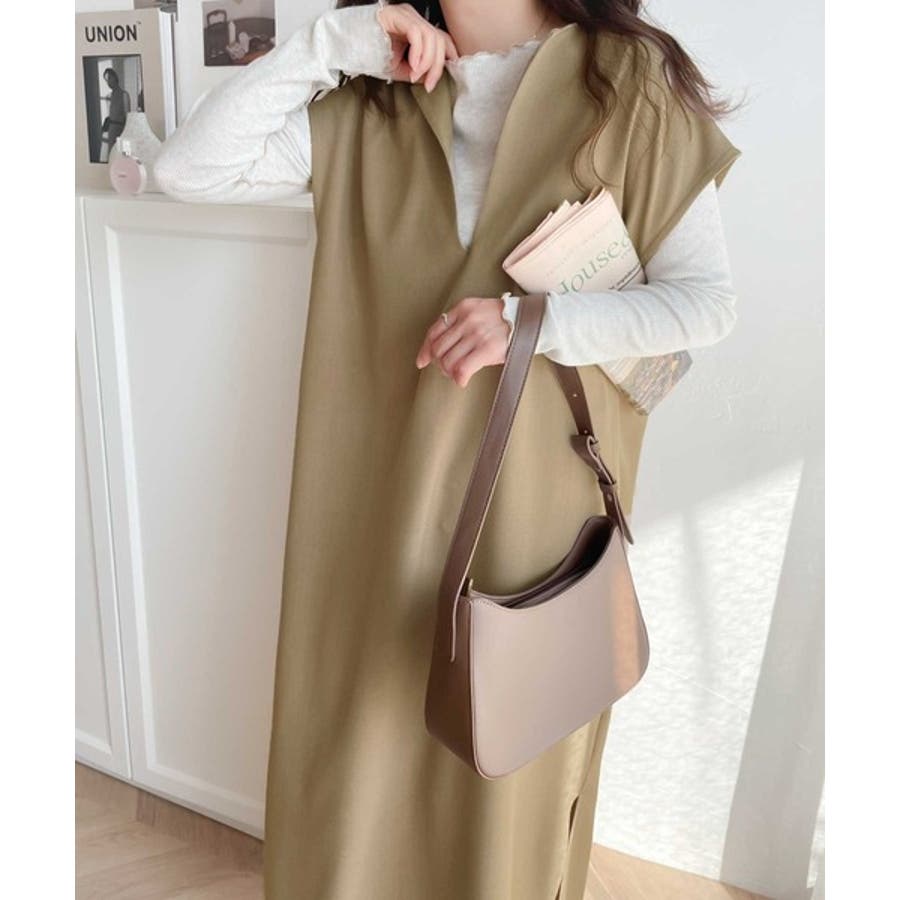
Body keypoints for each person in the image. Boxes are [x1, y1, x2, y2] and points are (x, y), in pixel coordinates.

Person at [154, 2, 742, 898]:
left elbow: (704, 303)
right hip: (373, 505)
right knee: (357, 765)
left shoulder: (626, 84)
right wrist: (332, 43)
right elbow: (186, 170)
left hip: (535, 512)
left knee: (507, 776)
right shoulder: (369, 97)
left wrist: (531, 323)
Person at [100, 68, 131, 162]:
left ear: (114, 77)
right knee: (112, 157)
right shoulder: (109, 97)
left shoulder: (124, 95)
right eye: (106, 80)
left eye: (109, 78)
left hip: (121, 130)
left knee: (123, 157)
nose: (108, 82)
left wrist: (126, 135)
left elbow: (127, 117)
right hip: (111, 131)